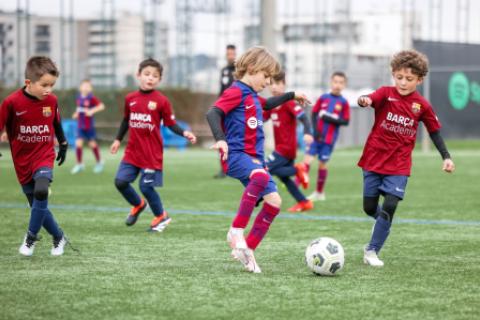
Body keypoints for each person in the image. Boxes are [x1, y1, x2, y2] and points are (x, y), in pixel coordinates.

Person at [206, 46, 310, 273]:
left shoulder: (251, 95)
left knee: (274, 201)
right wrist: (221, 139)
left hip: (255, 158)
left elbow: (268, 104)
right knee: (261, 177)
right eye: (266, 76)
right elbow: (213, 112)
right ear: (252, 69)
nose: (268, 82)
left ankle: (248, 249)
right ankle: (236, 230)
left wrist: (292, 95)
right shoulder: (235, 92)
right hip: (236, 154)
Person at [357, 50, 455, 267]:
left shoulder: (422, 105)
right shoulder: (385, 93)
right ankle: (383, 223)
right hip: (373, 159)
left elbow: (434, 131)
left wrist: (446, 157)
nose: (403, 82)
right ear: (393, 74)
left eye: (409, 79)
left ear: (419, 80)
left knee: (390, 204)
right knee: (369, 207)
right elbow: (370, 98)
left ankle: (372, 250)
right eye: (399, 77)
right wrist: (363, 100)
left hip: (399, 164)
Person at [110, 58, 197, 232]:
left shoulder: (161, 101)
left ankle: (161, 216)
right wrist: (118, 139)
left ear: (159, 79)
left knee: (145, 187)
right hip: (132, 152)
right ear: (138, 75)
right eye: (147, 74)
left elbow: (171, 124)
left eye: (155, 76)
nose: (150, 78)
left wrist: (184, 133)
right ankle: (138, 204)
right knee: (120, 182)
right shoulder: (130, 99)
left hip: (151, 153)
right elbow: (126, 120)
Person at [0, 56, 69, 256]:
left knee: (41, 191)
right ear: (28, 83)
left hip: (44, 154)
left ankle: (30, 237)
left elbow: (56, 122)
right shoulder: (11, 102)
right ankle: (59, 237)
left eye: (52, 85)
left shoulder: (52, 100)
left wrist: (63, 143)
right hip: (22, 159)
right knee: (37, 204)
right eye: (44, 85)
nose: (49, 90)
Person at [262, 71, 314, 212]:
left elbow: (304, 118)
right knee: (283, 177)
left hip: (286, 148)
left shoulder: (289, 103)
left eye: (278, 84)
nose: (274, 87)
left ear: (284, 85)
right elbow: (261, 119)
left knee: (264, 169)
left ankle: (297, 169)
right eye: (271, 84)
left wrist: (308, 132)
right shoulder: (271, 105)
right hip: (281, 149)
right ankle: (304, 202)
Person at [302, 71, 350, 202]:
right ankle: (296, 186)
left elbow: (346, 121)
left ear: (344, 85)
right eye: (335, 82)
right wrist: (315, 131)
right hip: (316, 137)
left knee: (322, 164)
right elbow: (313, 114)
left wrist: (329, 118)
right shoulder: (323, 98)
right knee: (306, 161)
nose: (337, 85)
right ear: (331, 82)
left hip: (329, 140)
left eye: (341, 82)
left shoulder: (344, 103)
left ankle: (319, 192)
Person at [71, 79, 105, 174]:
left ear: (91, 88)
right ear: (80, 87)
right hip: (80, 126)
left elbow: (101, 106)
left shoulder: (91, 98)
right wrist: (76, 114)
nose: (86, 88)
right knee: (78, 144)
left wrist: (92, 111)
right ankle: (79, 164)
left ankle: (99, 162)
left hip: (89, 126)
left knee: (92, 144)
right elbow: (80, 109)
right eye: (84, 86)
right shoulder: (79, 98)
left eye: (88, 86)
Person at [214, 44, 237, 179]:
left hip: (235, 110)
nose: (230, 56)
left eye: (232, 54)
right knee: (221, 138)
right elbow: (221, 90)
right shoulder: (224, 71)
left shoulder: (240, 71)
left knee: (235, 139)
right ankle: (224, 169)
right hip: (224, 109)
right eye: (228, 54)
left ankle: (235, 167)